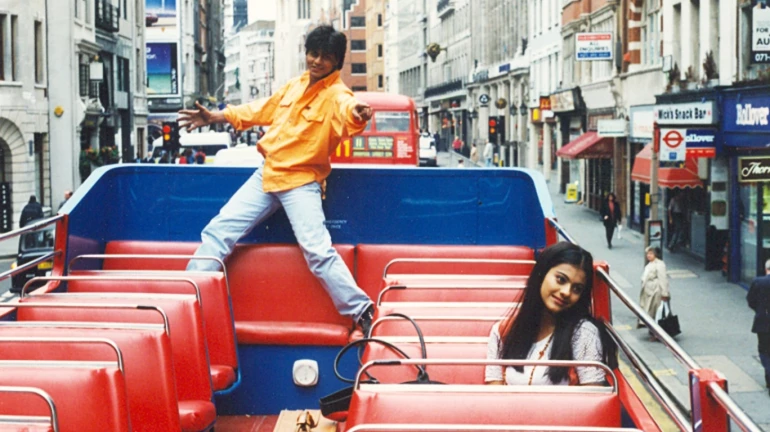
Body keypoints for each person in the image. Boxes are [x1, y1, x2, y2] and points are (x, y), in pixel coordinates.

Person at [177, 25, 376, 334]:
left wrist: (358, 114)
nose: (317, 61)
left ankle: (362, 310)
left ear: (337, 62)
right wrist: (215, 117)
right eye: (313, 53)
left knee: (317, 250)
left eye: (325, 57)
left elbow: (348, 111)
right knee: (218, 231)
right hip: (267, 173)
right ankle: (184, 298)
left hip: (301, 180)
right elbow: (260, 109)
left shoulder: (339, 95)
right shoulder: (294, 86)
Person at [484, 242, 616, 386]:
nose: (566, 292)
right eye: (561, 280)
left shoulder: (583, 333)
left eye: (577, 289)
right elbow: (494, 391)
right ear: (541, 274)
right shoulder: (503, 331)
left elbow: (593, 399)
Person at [747, 259, 770, 394]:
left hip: (763, 322)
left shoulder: (758, 282)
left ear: (766, 269)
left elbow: (751, 300)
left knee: (764, 350)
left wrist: (760, 311)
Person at [639, 246, 669, 335]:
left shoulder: (659, 264)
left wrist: (664, 293)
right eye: (647, 253)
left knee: (656, 313)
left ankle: (656, 332)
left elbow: (663, 279)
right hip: (648, 292)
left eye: (651, 253)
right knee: (649, 311)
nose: (648, 255)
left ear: (656, 254)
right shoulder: (649, 264)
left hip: (656, 292)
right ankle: (653, 331)